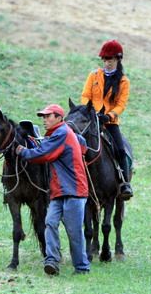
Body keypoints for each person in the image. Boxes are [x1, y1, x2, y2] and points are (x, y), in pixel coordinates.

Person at [16, 104, 90, 275]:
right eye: (43, 117)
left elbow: (43, 154)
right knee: (50, 222)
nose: (44, 120)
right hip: (58, 191)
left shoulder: (62, 133)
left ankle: (81, 267)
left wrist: (22, 151)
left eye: (48, 116)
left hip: (73, 191)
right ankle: (52, 261)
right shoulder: (58, 134)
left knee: (73, 231)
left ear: (59, 118)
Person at [81, 39, 133, 200]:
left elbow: (121, 105)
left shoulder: (124, 81)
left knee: (120, 149)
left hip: (109, 123)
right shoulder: (93, 75)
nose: (106, 63)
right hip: (91, 120)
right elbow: (85, 96)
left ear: (118, 59)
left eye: (109, 59)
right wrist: (90, 111)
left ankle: (125, 183)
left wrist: (109, 116)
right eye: (104, 59)